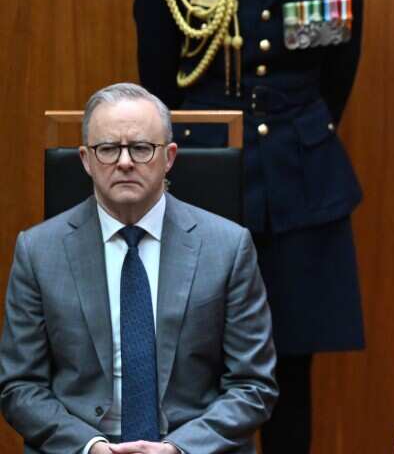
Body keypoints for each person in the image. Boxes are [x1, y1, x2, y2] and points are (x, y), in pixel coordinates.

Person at [132, 0, 363, 453]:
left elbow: (340, 63)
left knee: (292, 358)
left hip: (301, 171)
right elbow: (155, 68)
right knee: (198, 354)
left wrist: (300, 129)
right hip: (210, 169)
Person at [0, 83, 277, 454]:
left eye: (142, 148)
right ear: (85, 159)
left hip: (193, 446)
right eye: (108, 148)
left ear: (170, 157)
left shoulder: (228, 247)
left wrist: (179, 448)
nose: (125, 161)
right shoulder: (38, 251)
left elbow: (253, 385)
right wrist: (90, 446)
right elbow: (20, 387)